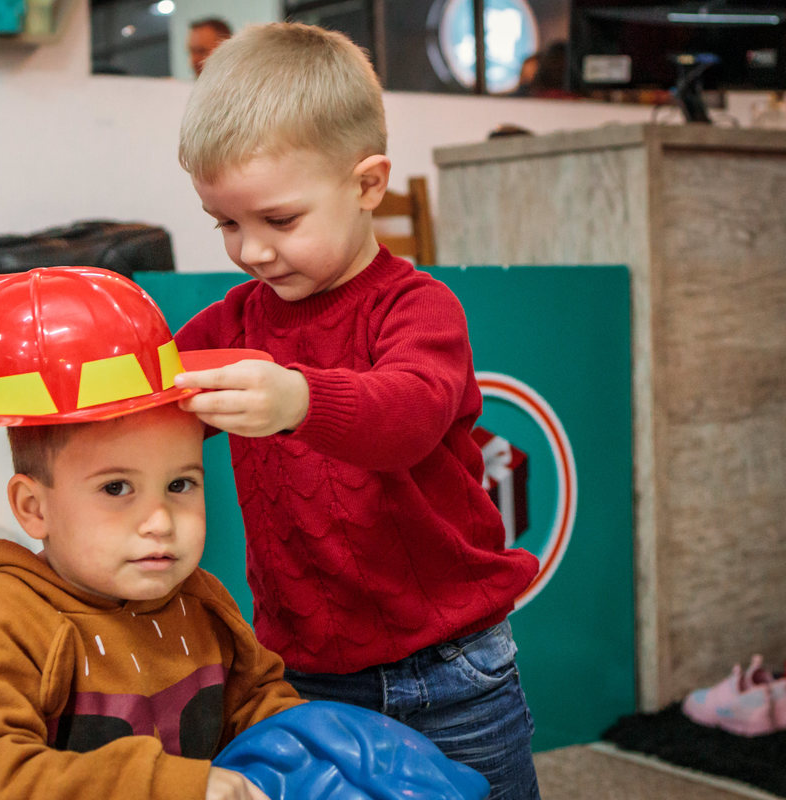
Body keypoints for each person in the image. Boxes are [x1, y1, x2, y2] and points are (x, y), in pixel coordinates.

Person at [173, 22, 542, 800]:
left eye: (280, 221)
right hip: (302, 673)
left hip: (450, 672)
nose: (252, 252)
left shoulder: (419, 309)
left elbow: (405, 415)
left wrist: (297, 398)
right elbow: (155, 384)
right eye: (227, 224)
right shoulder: (236, 323)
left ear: (368, 183)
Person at [0, 267, 304, 800]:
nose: (160, 521)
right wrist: (174, 787)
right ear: (33, 509)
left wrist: (312, 750)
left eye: (181, 484)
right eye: (117, 489)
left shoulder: (201, 602)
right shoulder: (6, 620)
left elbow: (263, 709)